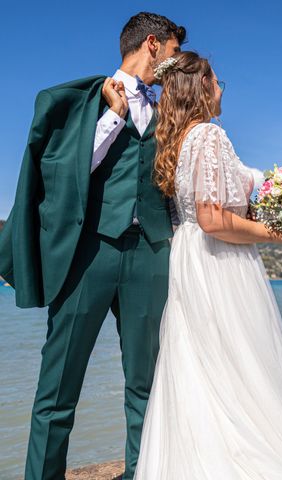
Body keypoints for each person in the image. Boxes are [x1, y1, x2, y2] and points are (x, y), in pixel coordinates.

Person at [134, 51, 282, 479]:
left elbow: (201, 215)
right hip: (221, 265)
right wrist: (278, 235)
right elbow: (213, 218)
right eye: (217, 81)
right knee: (241, 368)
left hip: (191, 260)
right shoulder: (210, 136)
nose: (220, 88)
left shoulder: (179, 141)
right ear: (200, 87)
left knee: (203, 367)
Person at [0, 12, 186, 480]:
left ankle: (141, 473)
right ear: (153, 45)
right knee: (58, 386)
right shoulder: (86, 101)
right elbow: (63, 176)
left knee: (148, 385)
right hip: (89, 254)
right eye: (175, 50)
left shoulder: (167, 112)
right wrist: (114, 117)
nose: (177, 60)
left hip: (150, 253)